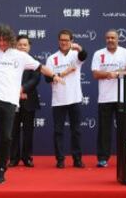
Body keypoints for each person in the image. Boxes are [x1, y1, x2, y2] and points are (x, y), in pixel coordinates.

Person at [0, 24, 62, 184]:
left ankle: (1, 169)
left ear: (10, 40)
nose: (2, 43)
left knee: (7, 137)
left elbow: (40, 67)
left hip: (9, 100)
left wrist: (55, 75)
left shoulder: (20, 55)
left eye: (4, 40)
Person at [91, 29, 126, 168]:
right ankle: (103, 158)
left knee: (124, 129)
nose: (110, 40)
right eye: (108, 38)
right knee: (104, 130)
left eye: (113, 38)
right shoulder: (99, 53)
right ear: (105, 39)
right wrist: (107, 74)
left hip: (122, 97)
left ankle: (125, 157)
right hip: (105, 98)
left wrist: (116, 74)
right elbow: (95, 74)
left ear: (118, 39)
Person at [45, 29, 87, 169]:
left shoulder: (75, 55)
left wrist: (79, 48)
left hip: (74, 98)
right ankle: (60, 159)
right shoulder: (52, 58)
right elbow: (48, 78)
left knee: (76, 131)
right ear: (58, 41)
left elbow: (83, 55)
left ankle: (77, 159)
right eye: (62, 40)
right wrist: (64, 72)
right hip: (58, 100)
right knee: (58, 131)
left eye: (67, 40)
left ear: (71, 41)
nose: (64, 42)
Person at [9, 35, 41, 168]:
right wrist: (16, 92)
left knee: (28, 131)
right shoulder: (10, 61)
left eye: (25, 45)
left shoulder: (34, 61)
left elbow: (35, 79)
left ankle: (27, 157)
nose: (22, 47)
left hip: (29, 100)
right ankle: (13, 158)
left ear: (29, 47)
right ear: (15, 46)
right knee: (13, 131)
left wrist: (22, 90)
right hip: (12, 100)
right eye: (20, 45)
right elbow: (7, 78)